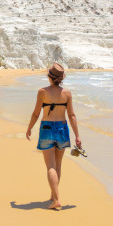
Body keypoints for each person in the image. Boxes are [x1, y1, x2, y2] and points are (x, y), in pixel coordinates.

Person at [25, 63, 81, 209]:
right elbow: (72, 115)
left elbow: (36, 113)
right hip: (62, 128)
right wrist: (77, 136)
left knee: (50, 166)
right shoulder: (67, 94)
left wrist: (29, 128)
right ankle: (53, 195)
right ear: (61, 78)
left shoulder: (42, 92)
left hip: (47, 129)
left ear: (49, 76)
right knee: (58, 165)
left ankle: (56, 199)